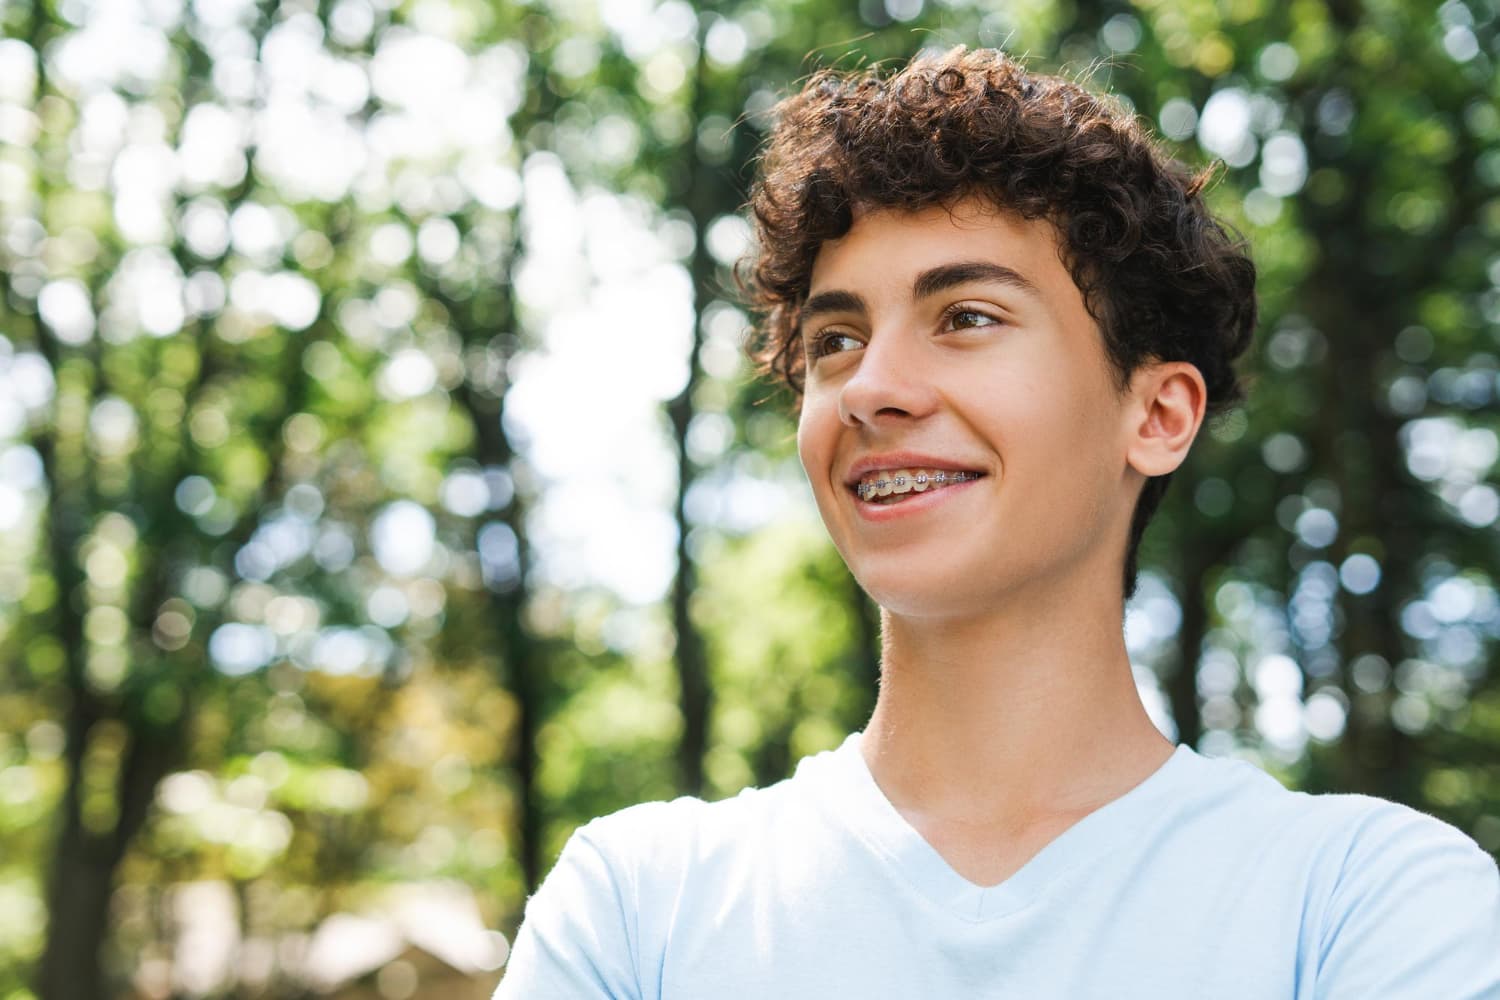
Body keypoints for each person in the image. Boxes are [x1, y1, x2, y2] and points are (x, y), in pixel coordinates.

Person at [494, 46, 1500, 998]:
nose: (871, 386)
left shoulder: (1366, 905)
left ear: (1155, 415)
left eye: (967, 316)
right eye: (835, 339)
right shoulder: (635, 909)